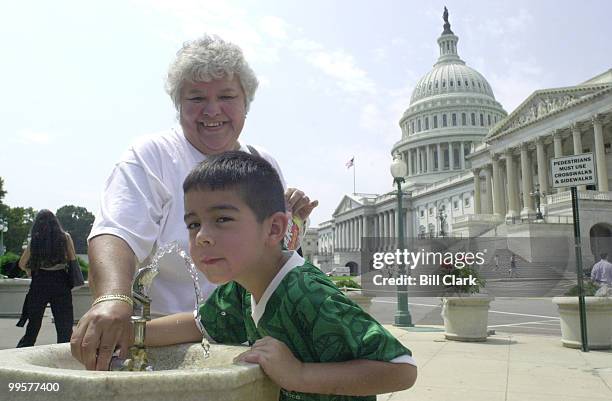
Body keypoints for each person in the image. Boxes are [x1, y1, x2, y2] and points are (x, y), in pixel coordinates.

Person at [71, 34, 318, 371]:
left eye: (227, 96)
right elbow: (117, 232)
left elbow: (272, 259)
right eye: (196, 97)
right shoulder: (152, 155)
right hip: (161, 340)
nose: (212, 110)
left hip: (251, 341)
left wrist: (293, 228)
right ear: (179, 105)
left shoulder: (264, 164)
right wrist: (113, 298)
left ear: (246, 102)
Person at [129, 152, 417, 400]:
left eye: (222, 219)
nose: (202, 236)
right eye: (193, 223)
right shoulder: (241, 287)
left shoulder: (308, 294)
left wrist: (300, 375)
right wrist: (124, 333)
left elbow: (401, 369)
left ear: (275, 229)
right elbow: (196, 325)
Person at [16, 210, 77, 347]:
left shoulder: (35, 239)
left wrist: (29, 271)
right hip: (60, 281)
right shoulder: (65, 237)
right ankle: (65, 355)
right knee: (64, 324)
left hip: (40, 281)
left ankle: (23, 351)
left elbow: (22, 263)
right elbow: (72, 259)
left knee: (33, 323)